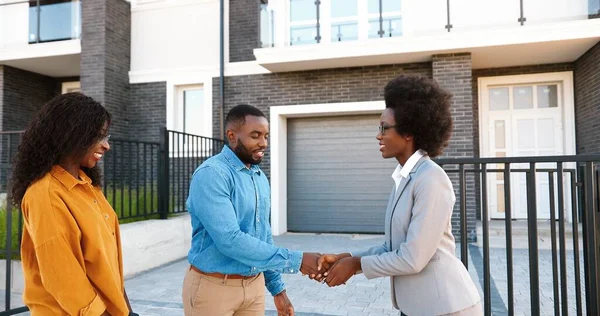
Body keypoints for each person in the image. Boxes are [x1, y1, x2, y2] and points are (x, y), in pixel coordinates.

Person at [317, 75, 482, 316]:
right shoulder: (405, 177)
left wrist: (355, 266)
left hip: (446, 307)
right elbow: (392, 247)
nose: (378, 135)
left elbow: (413, 258)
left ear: (408, 132)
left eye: (384, 128)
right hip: (417, 307)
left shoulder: (431, 179)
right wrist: (347, 257)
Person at [183, 104, 322, 316]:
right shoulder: (212, 174)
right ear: (232, 135)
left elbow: (263, 237)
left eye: (266, 136)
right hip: (213, 289)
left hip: (254, 289)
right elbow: (230, 239)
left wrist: (278, 290)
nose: (263, 143)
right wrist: (299, 261)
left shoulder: (258, 176)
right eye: (255, 136)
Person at [11, 93, 137, 315]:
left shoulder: (87, 186)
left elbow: (108, 267)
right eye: (98, 136)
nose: (106, 145)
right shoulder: (45, 194)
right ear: (71, 135)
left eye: (107, 136)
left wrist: (126, 310)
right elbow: (65, 279)